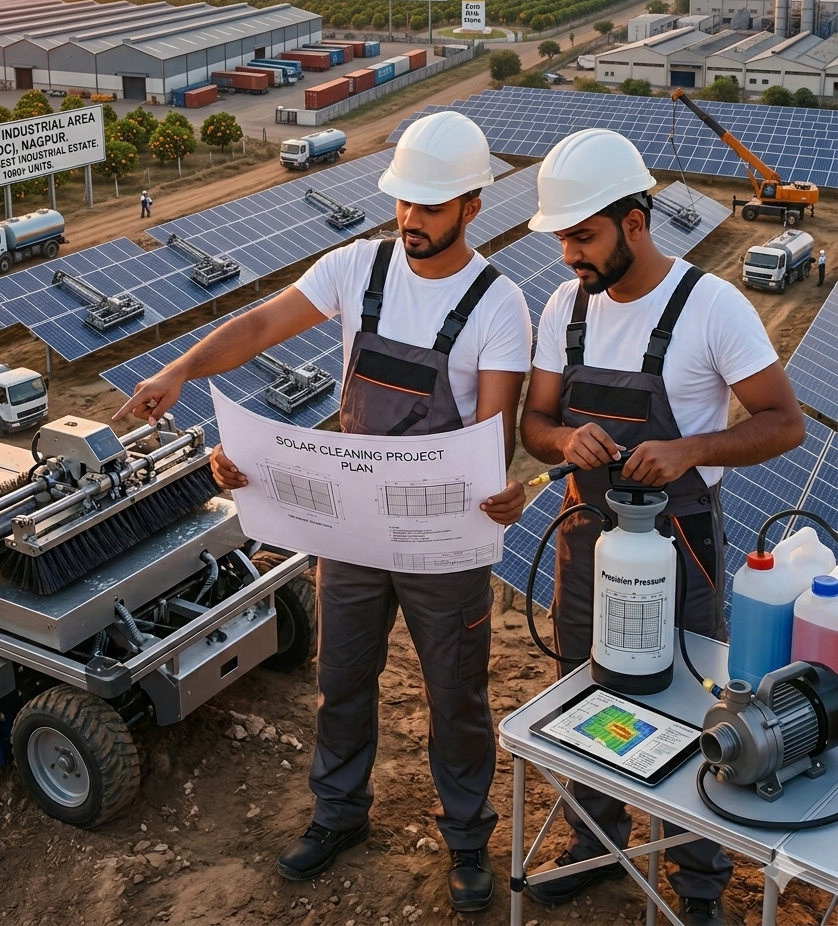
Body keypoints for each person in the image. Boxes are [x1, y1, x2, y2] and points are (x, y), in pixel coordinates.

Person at [114, 111, 533, 913]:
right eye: (405, 203)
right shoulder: (355, 270)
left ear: (473, 207)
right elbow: (262, 324)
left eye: (431, 207)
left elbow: (495, 435)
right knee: (342, 680)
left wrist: (503, 486)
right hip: (353, 533)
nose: (411, 220)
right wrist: (179, 369)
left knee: (456, 695)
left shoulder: (499, 304)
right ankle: (339, 814)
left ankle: (467, 838)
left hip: (443, 539)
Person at [518, 129, 805, 926]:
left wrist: (691, 449)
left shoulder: (710, 307)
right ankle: (594, 845)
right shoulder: (563, 306)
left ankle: (699, 886)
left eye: (583, 235)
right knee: (584, 690)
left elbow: (784, 424)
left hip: (683, 548)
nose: (569, 253)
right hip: (586, 536)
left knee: (687, 705)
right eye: (563, 236)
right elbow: (535, 423)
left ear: (634, 223)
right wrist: (562, 441)